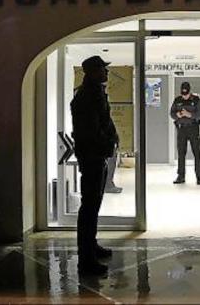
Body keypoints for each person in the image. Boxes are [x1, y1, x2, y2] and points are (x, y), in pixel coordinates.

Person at [70, 55, 119, 276]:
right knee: (89, 207)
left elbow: (103, 121)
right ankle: (86, 259)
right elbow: (91, 130)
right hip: (92, 156)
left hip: (97, 154)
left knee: (94, 205)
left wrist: (112, 138)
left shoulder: (95, 93)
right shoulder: (86, 96)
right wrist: (107, 142)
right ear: (92, 72)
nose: (106, 72)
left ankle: (92, 246)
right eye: (102, 69)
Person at [170, 81, 200, 185]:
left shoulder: (196, 100)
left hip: (193, 128)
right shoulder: (177, 100)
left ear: (190, 92)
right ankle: (181, 176)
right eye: (183, 94)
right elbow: (171, 113)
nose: (184, 96)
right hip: (181, 129)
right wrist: (177, 115)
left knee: (196, 153)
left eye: (186, 94)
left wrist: (189, 114)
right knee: (181, 153)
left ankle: (199, 177)